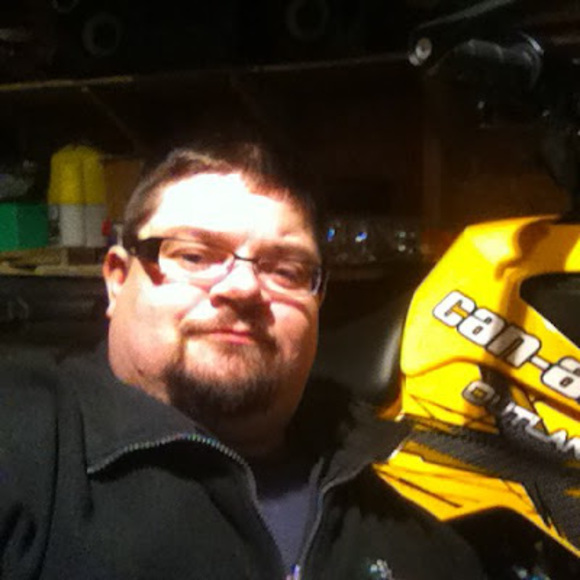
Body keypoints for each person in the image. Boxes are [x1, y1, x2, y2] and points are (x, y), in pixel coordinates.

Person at [0, 141, 486, 579]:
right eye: (194, 256)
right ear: (117, 280)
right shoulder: (23, 442)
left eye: (286, 269)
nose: (244, 288)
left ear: (318, 301)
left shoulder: (423, 547)